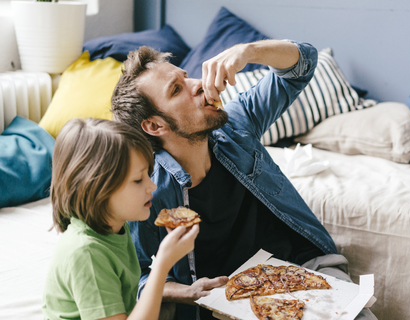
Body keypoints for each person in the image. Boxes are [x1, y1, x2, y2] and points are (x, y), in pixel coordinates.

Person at [111, 39, 377, 320]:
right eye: (177, 90)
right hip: (229, 302)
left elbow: (302, 66)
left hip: (303, 268)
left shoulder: (236, 125)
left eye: (186, 76)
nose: (198, 84)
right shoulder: (148, 193)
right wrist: (187, 292)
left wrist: (248, 52)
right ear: (155, 125)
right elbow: (134, 278)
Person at [42, 118, 199, 320]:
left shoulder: (115, 226)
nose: (152, 186)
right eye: (137, 180)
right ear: (98, 189)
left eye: (149, 175)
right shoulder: (86, 253)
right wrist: (162, 264)